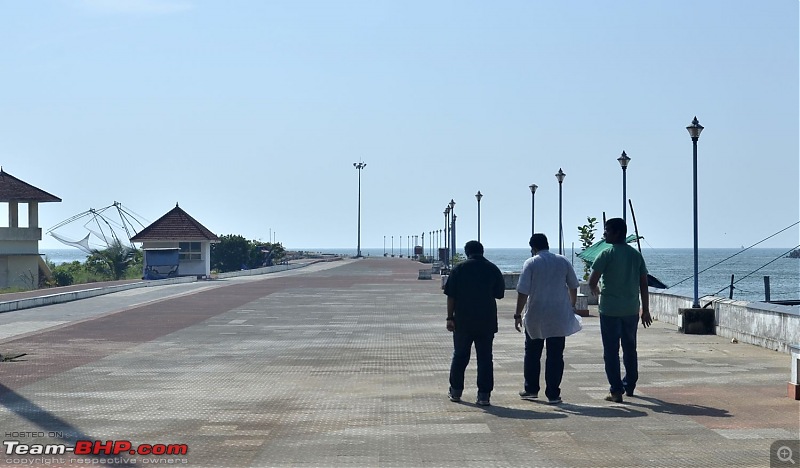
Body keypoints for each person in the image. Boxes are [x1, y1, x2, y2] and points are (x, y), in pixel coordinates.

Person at [588, 218, 652, 403]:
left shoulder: (606, 254)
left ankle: (616, 391)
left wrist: (599, 293)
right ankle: (629, 385)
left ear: (616, 232)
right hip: (631, 309)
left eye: (607, 230)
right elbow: (644, 284)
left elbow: (592, 282)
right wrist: (645, 309)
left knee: (611, 351)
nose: (604, 234)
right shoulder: (636, 255)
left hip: (609, 310)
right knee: (630, 349)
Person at [513, 233, 581, 405]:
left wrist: (517, 314)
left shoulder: (531, 263)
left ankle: (531, 389)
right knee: (556, 355)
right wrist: (571, 305)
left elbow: (523, 291)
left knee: (532, 354)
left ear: (533, 248)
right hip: (558, 315)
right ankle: (553, 394)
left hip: (536, 314)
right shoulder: (563, 261)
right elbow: (574, 285)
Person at [444, 240, 506, 406]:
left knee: (460, 356)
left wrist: (450, 317)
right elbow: (499, 294)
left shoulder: (459, 269)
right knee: (485, 358)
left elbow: (451, 295)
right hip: (486, 320)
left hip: (463, 320)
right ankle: (484, 395)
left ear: (466, 252)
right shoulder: (492, 268)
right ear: (482, 251)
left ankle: (456, 391)